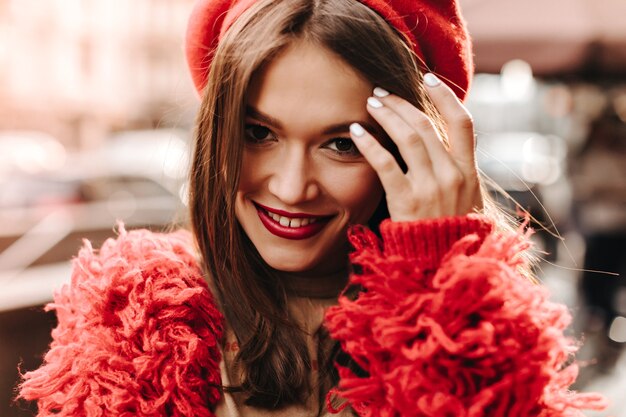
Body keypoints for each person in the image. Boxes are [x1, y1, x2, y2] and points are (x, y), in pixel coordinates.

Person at [18, 1, 607, 416]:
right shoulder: (132, 326)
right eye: (258, 133)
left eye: (342, 143)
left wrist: (442, 280)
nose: (294, 188)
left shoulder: (476, 325)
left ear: (413, 153)